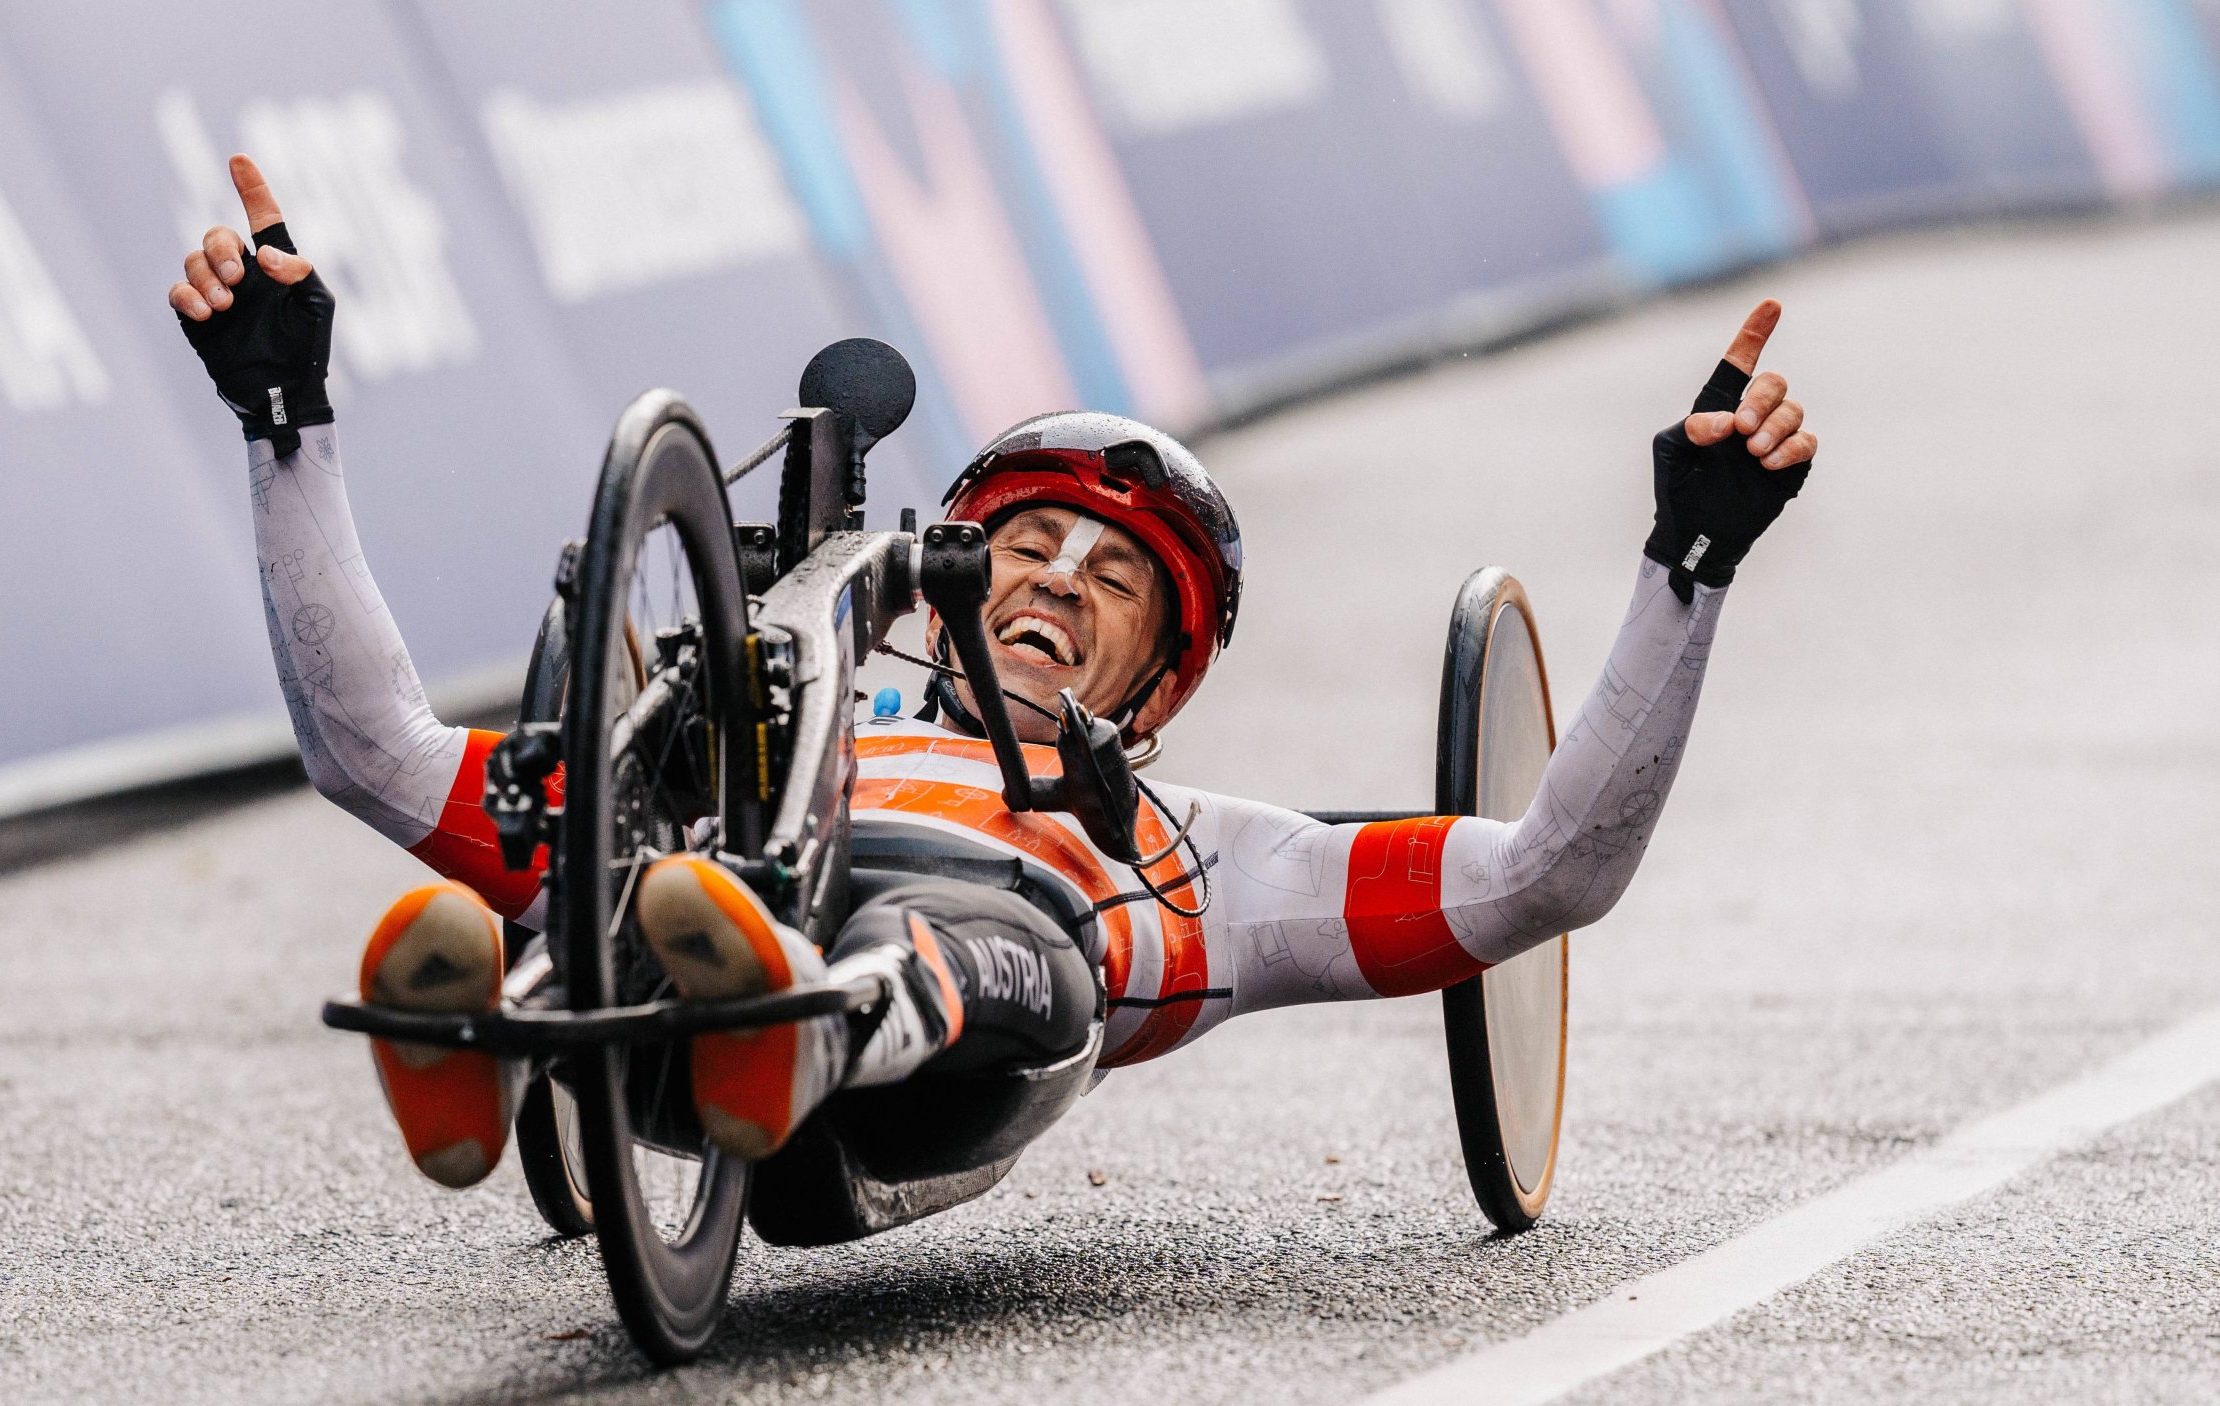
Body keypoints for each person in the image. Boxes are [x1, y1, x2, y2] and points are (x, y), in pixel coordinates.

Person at [173, 156, 1817, 1188]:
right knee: (625, 828)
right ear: (946, 579)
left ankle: (798, 1016)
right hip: (702, 962)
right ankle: (489, 1021)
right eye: (1028, 546)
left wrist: (1693, 561)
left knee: (1001, 932)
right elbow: (371, 751)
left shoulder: (1218, 855)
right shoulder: (792, 700)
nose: (1055, 582)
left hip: (952, 1054)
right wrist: (280, 424)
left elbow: (1546, 876)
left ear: (1160, 690)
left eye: (1114, 582)